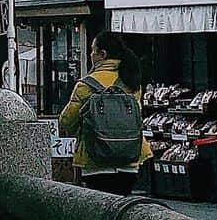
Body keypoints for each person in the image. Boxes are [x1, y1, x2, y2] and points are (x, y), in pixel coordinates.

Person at [59, 30, 150, 195]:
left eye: (93, 51)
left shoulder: (86, 85)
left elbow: (67, 121)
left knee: (100, 211)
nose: (91, 55)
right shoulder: (131, 81)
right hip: (129, 160)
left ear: (102, 54)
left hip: (96, 162)